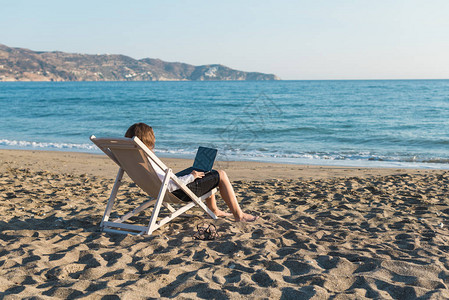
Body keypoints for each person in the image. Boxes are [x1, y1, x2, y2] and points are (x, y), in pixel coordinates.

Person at [125, 122, 259, 222]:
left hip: (158, 188)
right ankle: (239, 216)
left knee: (205, 172)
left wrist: (191, 175)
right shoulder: (148, 158)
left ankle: (214, 210)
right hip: (174, 192)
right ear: (148, 139)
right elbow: (170, 186)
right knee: (221, 174)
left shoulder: (134, 157)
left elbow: (164, 181)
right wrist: (191, 176)